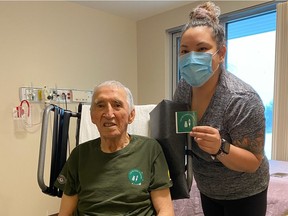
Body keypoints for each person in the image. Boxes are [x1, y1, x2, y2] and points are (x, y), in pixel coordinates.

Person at [173, 2, 269, 216]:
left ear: (221, 52)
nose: (191, 58)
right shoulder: (183, 89)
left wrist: (219, 147)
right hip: (207, 188)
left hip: (245, 192)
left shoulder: (241, 99)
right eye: (184, 51)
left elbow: (254, 162)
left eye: (202, 49)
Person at [55, 80, 174, 216]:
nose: (109, 114)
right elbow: (65, 212)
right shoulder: (79, 155)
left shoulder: (150, 150)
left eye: (117, 105)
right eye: (100, 106)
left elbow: (165, 210)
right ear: (92, 116)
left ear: (131, 115)